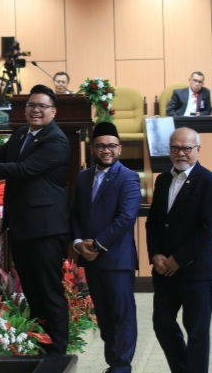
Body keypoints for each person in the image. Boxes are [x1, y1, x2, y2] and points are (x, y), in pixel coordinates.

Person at [0, 84, 70, 355]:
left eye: (42, 106)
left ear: (53, 111)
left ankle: (58, 352)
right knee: (32, 290)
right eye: (31, 105)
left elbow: (23, 170)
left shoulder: (56, 140)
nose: (35, 110)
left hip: (45, 229)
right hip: (22, 225)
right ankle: (43, 344)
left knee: (48, 291)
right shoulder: (21, 134)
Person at [146, 127, 212, 373]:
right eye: (175, 148)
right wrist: (155, 254)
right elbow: (154, 222)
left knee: (197, 330)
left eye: (186, 148)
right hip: (164, 270)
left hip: (196, 270)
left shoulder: (210, 182)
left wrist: (178, 259)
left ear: (198, 150)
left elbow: (208, 228)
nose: (180, 153)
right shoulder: (162, 179)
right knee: (162, 325)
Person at [71, 121, 141, 373]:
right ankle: (114, 363)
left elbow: (126, 218)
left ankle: (122, 366)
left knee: (122, 315)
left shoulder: (128, 177)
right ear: (92, 148)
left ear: (119, 149)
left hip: (117, 259)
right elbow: (75, 214)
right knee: (103, 315)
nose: (106, 150)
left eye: (111, 146)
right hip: (90, 259)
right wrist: (79, 244)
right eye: (101, 146)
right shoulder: (83, 177)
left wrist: (98, 244)